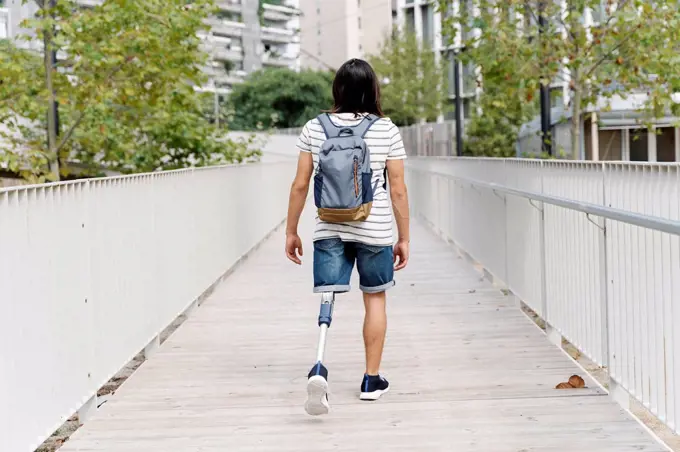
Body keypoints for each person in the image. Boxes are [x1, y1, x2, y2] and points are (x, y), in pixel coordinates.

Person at [284, 58, 410, 414]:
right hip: (376, 227)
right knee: (375, 299)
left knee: (328, 297)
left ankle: (319, 365)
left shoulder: (314, 127)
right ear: (373, 90)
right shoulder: (386, 129)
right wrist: (404, 237)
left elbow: (299, 184)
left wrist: (292, 230)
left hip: (329, 226)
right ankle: (371, 380)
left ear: (337, 89)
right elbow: (398, 189)